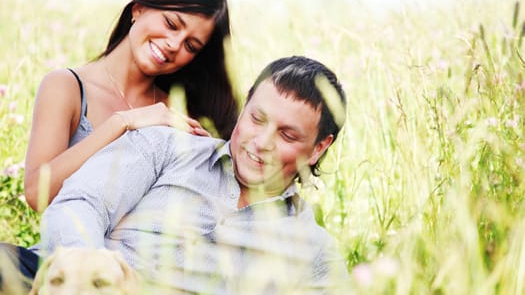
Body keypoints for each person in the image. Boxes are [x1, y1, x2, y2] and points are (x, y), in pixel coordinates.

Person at [2, 56, 349, 293]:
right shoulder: (165, 146)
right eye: (256, 120)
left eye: (287, 135)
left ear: (319, 147)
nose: (261, 143)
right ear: (245, 107)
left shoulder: (315, 251)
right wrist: (91, 269)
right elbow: (79, 203)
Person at [23, 0, 239, 211]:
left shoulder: (179, 116)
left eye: (190, 46)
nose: (173, 44)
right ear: (139, 8)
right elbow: (36, 194)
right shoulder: (66, 87)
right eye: (171, 24)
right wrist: (123, 122)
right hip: (66, 247)